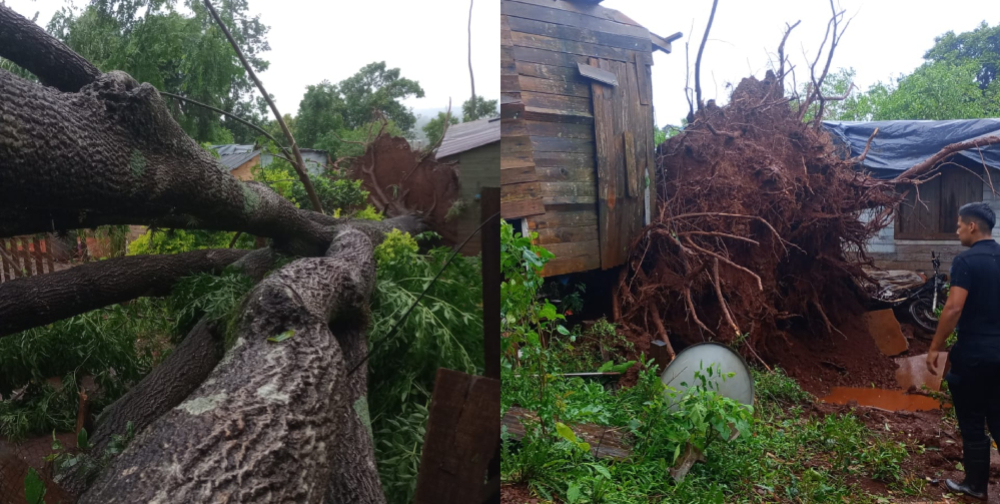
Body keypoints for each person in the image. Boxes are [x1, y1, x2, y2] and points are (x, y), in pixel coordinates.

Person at [927, 201, 1000, 501]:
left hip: (974, 356)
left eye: (959, 225)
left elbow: (954, 307)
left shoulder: (966, 261)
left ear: (972, 226)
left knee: (972, 421)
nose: (957, 230)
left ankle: (976, 486)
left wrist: (935, 347)